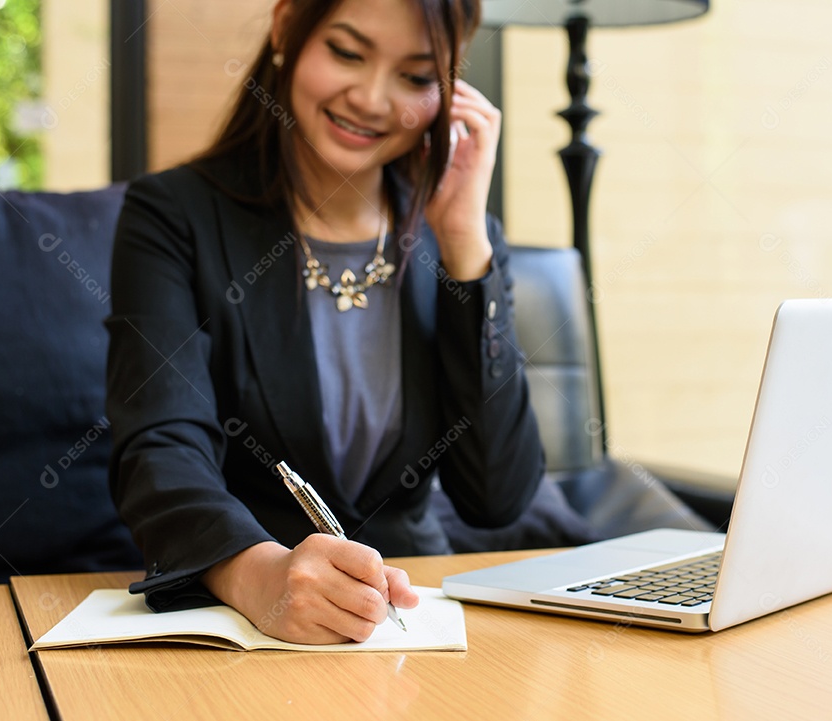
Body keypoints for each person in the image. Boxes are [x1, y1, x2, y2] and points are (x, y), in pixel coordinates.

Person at [105, 0, 545, 645]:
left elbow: (497, 496)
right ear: (287, 29)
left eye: (417, 77)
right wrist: (260, 577)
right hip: (242, 624)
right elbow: (160, 449)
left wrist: (464, 246)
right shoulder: (172, 216)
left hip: (414, 627)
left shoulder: (458, 239)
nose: (371, 99)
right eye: (347, 52)